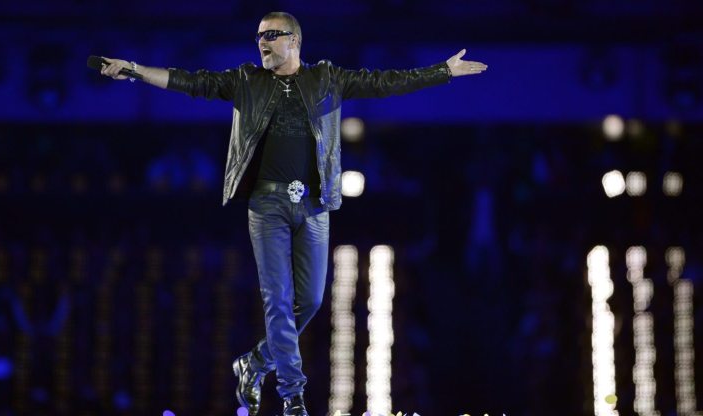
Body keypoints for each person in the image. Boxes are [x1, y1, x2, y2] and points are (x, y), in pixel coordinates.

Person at [100, 11, 487, 416]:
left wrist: (443, 71)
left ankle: (254, 363)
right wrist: (134, 71)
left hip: (315, 205)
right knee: (279, 301)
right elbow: (190, 80)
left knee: (312, 300)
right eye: (258, 36)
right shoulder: (246, 81)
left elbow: (384, 82)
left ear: (295, 40)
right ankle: (292, 397)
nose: (262, 42)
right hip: (267, 205)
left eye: (271, 35)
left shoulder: (327, 78)